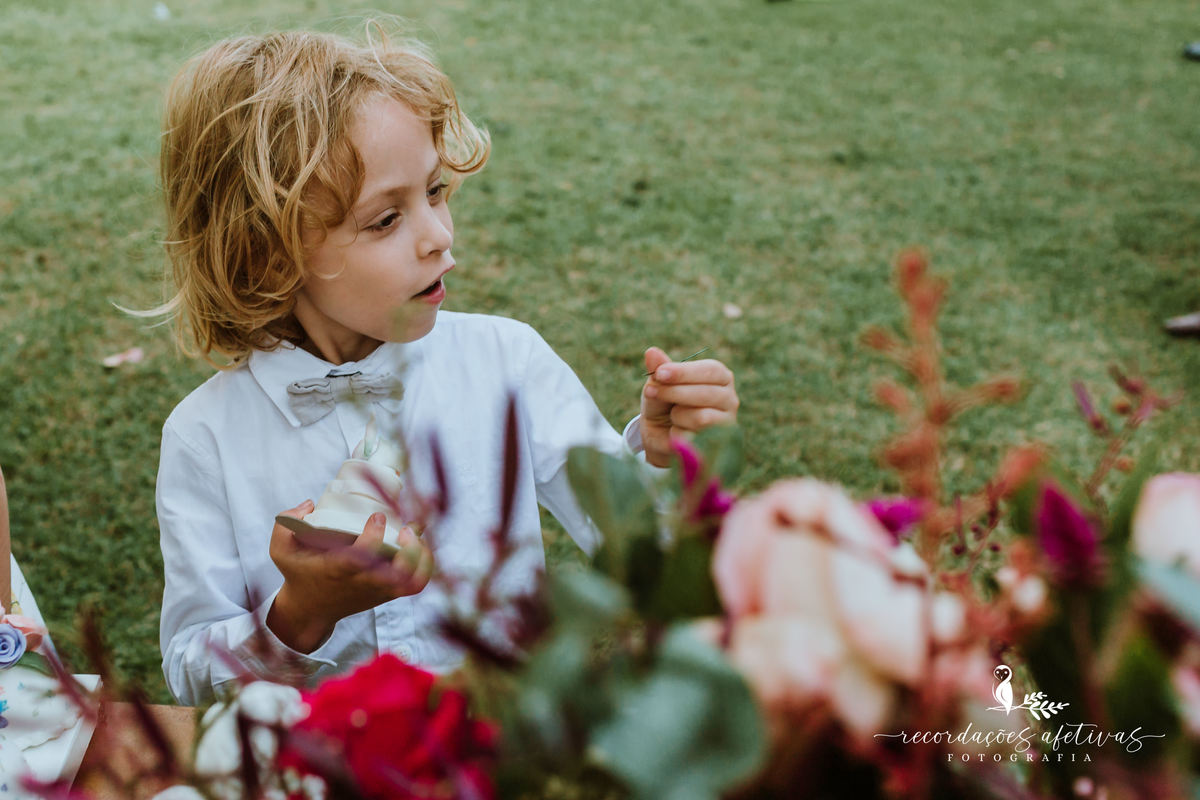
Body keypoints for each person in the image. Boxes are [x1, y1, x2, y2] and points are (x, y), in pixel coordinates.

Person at [155, 28, 740, 705]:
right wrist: (303, 613)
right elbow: (191, 670)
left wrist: (668, 465)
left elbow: (642, 556)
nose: (439, 236)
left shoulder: (508, 362)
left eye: (435, 191)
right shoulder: (204, 437)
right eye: (384, 220)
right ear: (265, 252)